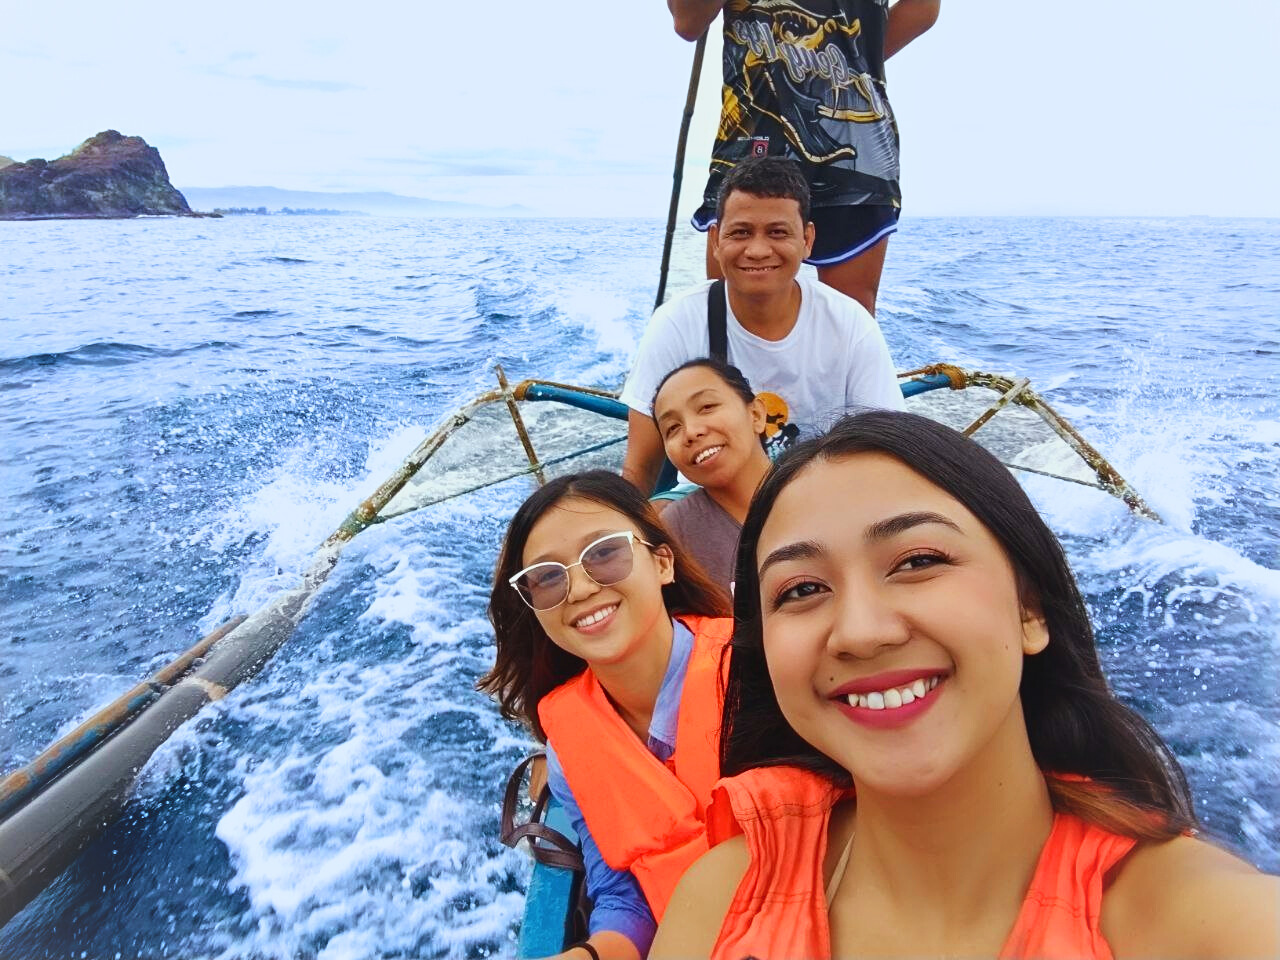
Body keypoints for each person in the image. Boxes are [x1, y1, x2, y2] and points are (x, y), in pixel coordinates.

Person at [651, 412, 1279, 959]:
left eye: (919, 561)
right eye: (803, 590)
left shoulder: (1214, 925)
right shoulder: (720, 901)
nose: (862, 632)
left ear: (1030, 609)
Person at [478, 471, 733, 960]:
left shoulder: (760, 675)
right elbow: (624, 894)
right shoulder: (569, 751)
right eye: (548, 577)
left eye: (604, 553)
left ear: (662, 563)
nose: (577, 588)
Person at [620, 157, 903, 494]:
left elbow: (888, 452)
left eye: (777, 232)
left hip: (818, 498)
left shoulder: (850, 324)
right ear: (716, 240)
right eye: (740, 232)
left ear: (807, 240)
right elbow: (640, 467)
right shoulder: (676, 323)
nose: (756, 250)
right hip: (710, 495)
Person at [667, 0, 941, 315]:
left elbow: (923, 9)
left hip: (852, 140)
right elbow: (688, 21)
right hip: (759, 136)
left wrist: (847, 60)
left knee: (849, 318)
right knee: (734, 316)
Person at [650, 359, 773, 593]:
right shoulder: (674, 538)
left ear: (756, 414)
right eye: (672, 428)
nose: (692, 432)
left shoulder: (822, 492)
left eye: (707, 407)